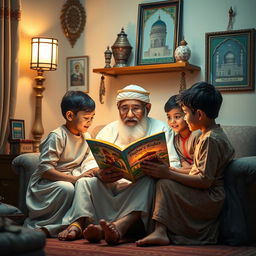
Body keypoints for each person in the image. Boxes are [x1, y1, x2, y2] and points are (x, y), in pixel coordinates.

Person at [58, 84, 180, 243]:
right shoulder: (108, 130)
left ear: (147, 108)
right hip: (110, 186)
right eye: (124, 109)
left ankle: (120, 226)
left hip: (138, 188)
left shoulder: (162, 128)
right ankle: (77, 224)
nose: (129, 114)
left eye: (136, 108)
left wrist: (157, 169)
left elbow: (174, 163)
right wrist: (99, 173)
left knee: (149, 182)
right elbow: (88, 163)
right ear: (118, 109)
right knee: (84, 181)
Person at [136, 82, 235, 246]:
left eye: (186, 113)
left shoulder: (210, 139)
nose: (185, 118)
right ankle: (160, 231)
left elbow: (204, 180)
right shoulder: (209, 135)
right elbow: (197, 171)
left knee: (165, 183)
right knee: (163, 180)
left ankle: (160, 232)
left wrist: (168, 174)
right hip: (207, 191)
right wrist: (169, 169)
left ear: (200, 115)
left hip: (211, 196)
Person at [24, 91, 99, 237]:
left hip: (72, 177)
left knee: (88, 183)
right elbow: (45, 170)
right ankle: (50, 227)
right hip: (48, 182)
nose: (90, 122)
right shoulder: (57, 136)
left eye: (92, 118)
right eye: (86, 118)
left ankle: (75, 225)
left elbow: (88, 160)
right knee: (67, 188)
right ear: (70, 116)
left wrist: (92, 171)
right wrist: (74, 179)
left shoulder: (87, 136)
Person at [164, 94, 201, 172]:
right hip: (188, 172)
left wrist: (175, 171)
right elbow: (182, 160)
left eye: (177, 117)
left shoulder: (197, 135)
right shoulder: (175, 139)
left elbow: (200, 168)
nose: (172, 122)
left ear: (187, 115)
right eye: (169, 117)